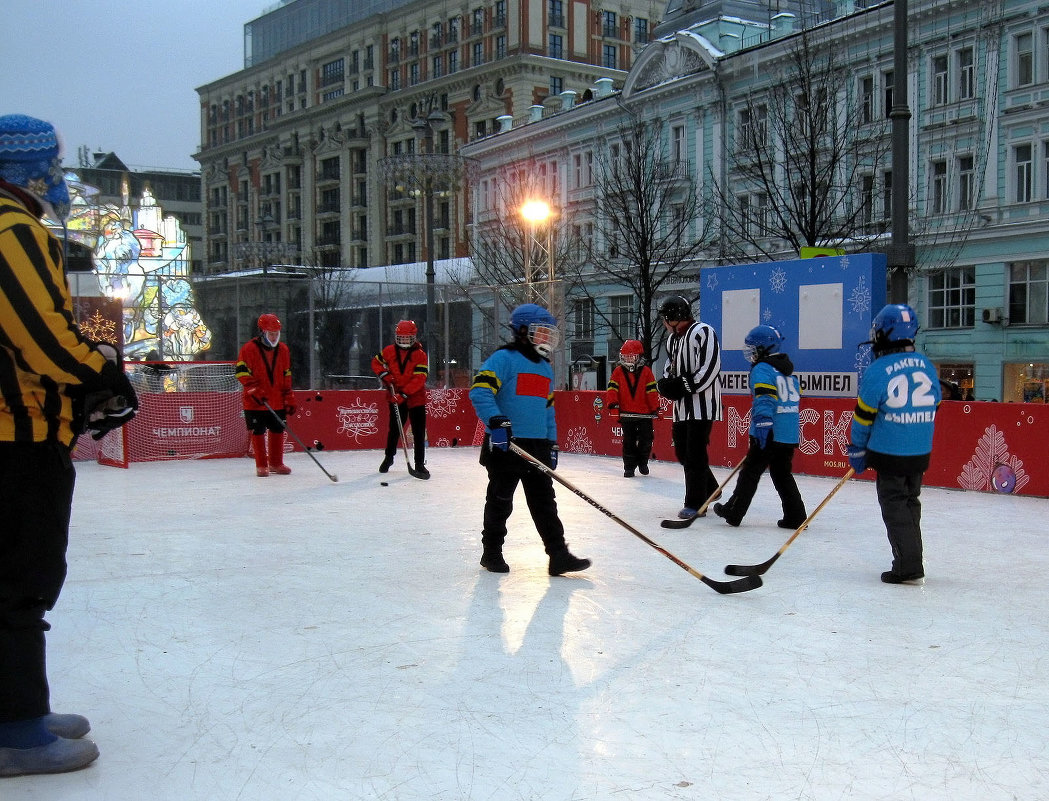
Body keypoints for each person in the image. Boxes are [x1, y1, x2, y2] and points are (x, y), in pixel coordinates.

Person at [0, 114, 139, 776]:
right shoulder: (12, 228)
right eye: (51, 165)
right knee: (19, 578)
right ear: (25, 168)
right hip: (15, 433)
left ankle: (20, 705)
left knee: (17, 576)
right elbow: (42, 334)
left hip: (18, 426)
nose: (59, 178)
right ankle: (16, 726)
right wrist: (105, 370)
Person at [469, 303, 590, 575]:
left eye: (550, 334)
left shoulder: (544, 368)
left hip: (536, 447)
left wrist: (552, 442)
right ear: (523, 331)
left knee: (545, 503)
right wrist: (496, 422)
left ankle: (558, 555)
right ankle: (491, 552)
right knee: (500, 501)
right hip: (505, 444)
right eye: (542, 333)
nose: (547, 339)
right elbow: (480, 392)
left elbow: (547, 409)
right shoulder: (504, 359)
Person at [847, 303, 942, 584]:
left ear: (885, 333)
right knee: (910, 502)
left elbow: (863, 417)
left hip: (891, 451)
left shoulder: (878, 370)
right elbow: (935, 403)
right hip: (920, 450)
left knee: (895, 505)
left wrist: (858, 447)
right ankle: (912, 557)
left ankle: (907, 564)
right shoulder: (926, 364)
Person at [712, 325, 807, 528]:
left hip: (769, 431)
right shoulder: (787, 372)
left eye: (753, 349)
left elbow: (765, 398)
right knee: (782, 474)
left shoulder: (762, 369)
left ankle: (734, 511)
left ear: (764, 348)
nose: (751, 354)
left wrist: (763, 423)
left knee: (750, 473)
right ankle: (796, 515)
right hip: (788, 434)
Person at [656, 295, 723, 520]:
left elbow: (710, 367)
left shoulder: (703, 332)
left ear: (673, 317)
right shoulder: (672, 340)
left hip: (702, 406)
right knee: (682, 452)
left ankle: (696, 503)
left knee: (694, 453)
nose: (664, 323)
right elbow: (670, 366)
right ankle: (711, 488)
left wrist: (683, 385)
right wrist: (666, 383)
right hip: (682, 408)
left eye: (665, 318)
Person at [236, 313, 296, 477]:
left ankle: (276, 463)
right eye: (271, 333)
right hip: (255, 401)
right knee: (258, 430)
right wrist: (253, 389)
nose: (275, 336)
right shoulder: (249, 349)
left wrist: (288, 396)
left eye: (277, 333)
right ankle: (261, 464)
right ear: (262, 332)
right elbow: (241, 372)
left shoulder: (283, 350)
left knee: (277, 429)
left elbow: (286, 374)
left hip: (277, 400)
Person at [371, 319, 429, 478]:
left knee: (418, 432)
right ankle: (388, 457)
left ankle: (419, 464)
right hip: (395, 397)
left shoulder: (420, 355)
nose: (404, 341)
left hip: (415, 399)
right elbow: (376, 362)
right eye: (401, 338)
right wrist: (384, 375)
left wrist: (404, 394)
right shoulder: (389, 351)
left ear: (413, 337)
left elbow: (420, 378)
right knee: (394, 430)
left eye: (406, 338)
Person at [605, 340, 659, 477]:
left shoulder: (646, 372)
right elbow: (612, 390)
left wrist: (655, 408)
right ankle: (629, 467)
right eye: (626, 357)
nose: (628, 360)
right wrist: (613, 405)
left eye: (631, 356)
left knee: (647, 438)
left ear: (639, 357)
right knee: (628, 441)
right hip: (626, 413)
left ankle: (643, 462)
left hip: (644, 414)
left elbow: (651, 392)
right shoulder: (617, 372)